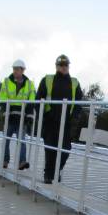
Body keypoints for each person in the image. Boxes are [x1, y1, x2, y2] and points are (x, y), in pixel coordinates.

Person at [35, 54, 84, 183]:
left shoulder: (75, 82)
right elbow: (38, 99)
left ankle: (57, 170)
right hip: (51, 121)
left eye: (66, 65)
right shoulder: (47, 79)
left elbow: (79, 102)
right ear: (56, 66)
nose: (63, 67)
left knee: (66, 149)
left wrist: (75, 118)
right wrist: (43, 117)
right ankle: (48, 175)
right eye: (61, 65)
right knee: (50, 149)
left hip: (67, 122)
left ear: (69, 66)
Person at [0, 59, 35, 170]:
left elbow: (32, 99)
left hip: (21, 117)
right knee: (6, 140)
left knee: (21, 141)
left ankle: (22, 162)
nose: (15, 71)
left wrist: (29, 115)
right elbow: (2, 97)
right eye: (14, 69)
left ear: (23, 70)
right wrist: (6, 110)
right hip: (9, 116)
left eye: (17, 69)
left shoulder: (29, 84)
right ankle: (5, 161)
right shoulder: (6, 82)